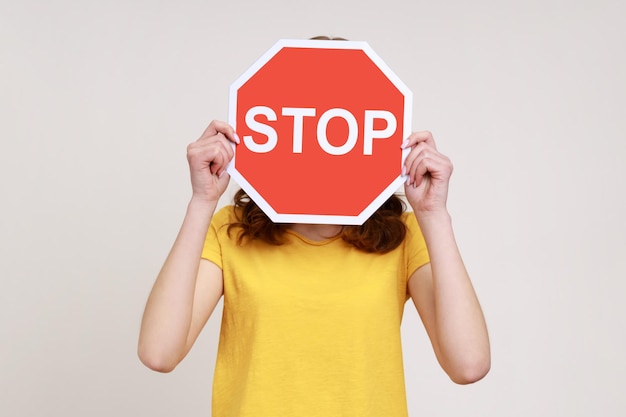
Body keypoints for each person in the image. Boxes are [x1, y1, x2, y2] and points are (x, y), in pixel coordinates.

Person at [138, 120, 490, 416]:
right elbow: (159, 352)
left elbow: (468, 364)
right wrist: (202, 201)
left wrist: (434, 215)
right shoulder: (231, 229)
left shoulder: (405, 234)